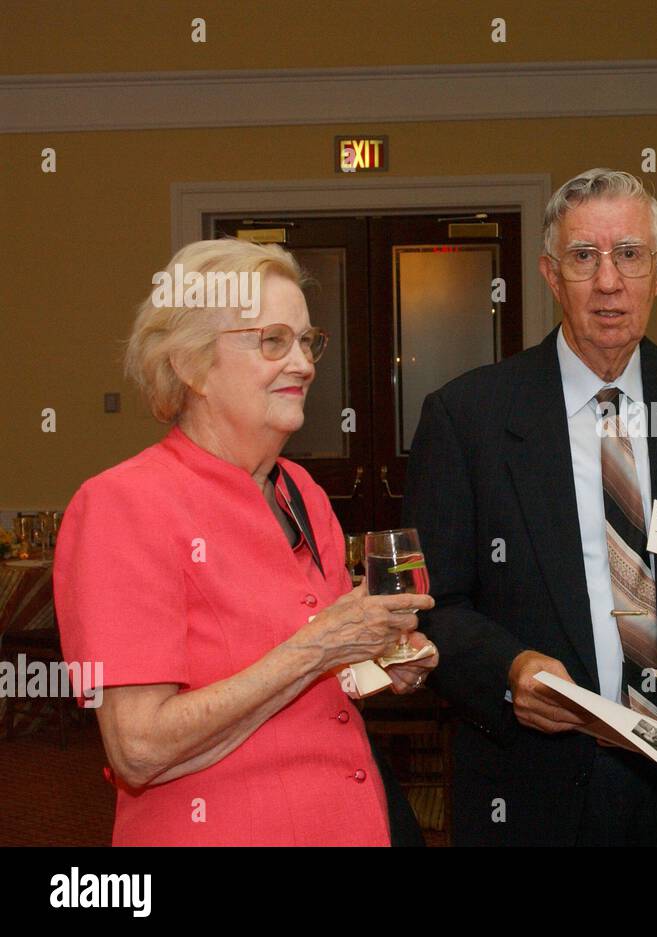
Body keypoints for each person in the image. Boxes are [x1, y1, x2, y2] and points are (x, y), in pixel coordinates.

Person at [404, 168, 657, 845]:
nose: (609, 281)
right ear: (551, 276)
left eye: (629, 255)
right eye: (584, 257)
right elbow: (433, 602)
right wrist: (509, 671)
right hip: (539, 787)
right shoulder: (468, 418)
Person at [54, 239, 438, 846]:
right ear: (192, 365)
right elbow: (139, 747)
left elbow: (334, 669)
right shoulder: (123, 505)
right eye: (273, 341)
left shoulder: (301, 491)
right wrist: (316, 648)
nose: (304, 364)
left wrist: (387, 661)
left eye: (308, 342)